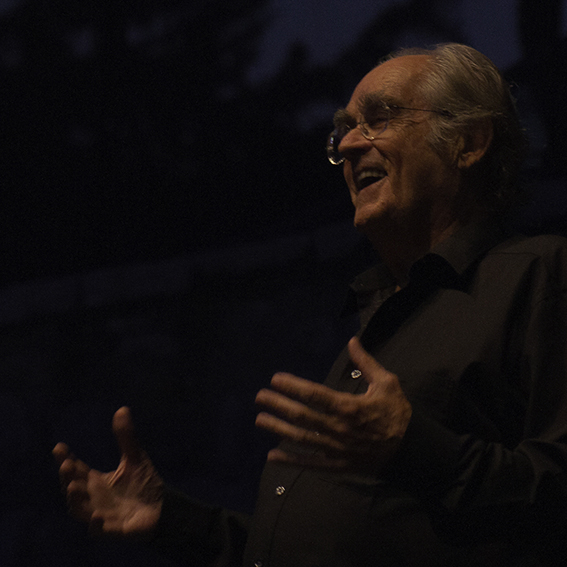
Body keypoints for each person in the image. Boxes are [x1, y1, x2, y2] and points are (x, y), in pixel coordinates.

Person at [54, 43, 567, 566]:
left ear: (469, 142)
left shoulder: (540, 274)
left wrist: (411, 446)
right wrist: (172, 520)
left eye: (379, 119)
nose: (349, 144)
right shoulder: (386, 312)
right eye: (343, 129)